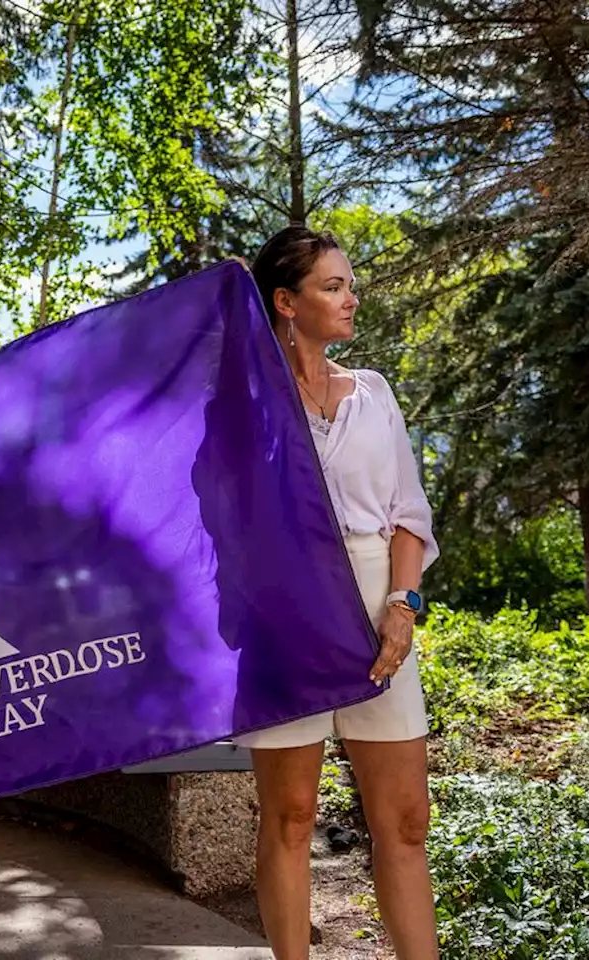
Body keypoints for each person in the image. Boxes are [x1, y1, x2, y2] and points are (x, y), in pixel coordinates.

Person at [234, 226, 441, 960]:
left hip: (380, 608)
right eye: (333, 286)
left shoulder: (375, 394)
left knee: (406, 819)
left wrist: (402, 606)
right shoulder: (242, 405)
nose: (352, 298)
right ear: (286, 302)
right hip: (285, 615)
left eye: (350, 284)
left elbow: (408, 514)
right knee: (290, 815)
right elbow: (212, 517)